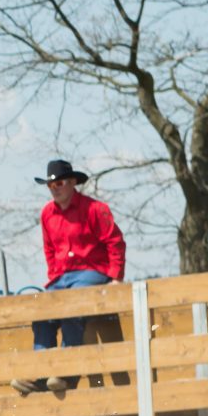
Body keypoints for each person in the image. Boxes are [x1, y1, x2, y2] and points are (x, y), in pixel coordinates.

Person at [11, 158, 126, 395]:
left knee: (71, 306)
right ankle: (42, 374)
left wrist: (115, 278)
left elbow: (115, 242)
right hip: (62, 277)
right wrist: (54, 275)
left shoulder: (96, 209)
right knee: (41, 311)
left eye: (60, 183)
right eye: (50, 185)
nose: (55, 188)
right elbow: (49, 249)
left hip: (92, 271)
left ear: (72, 182)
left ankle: (67, 374)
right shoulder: (47, 214)